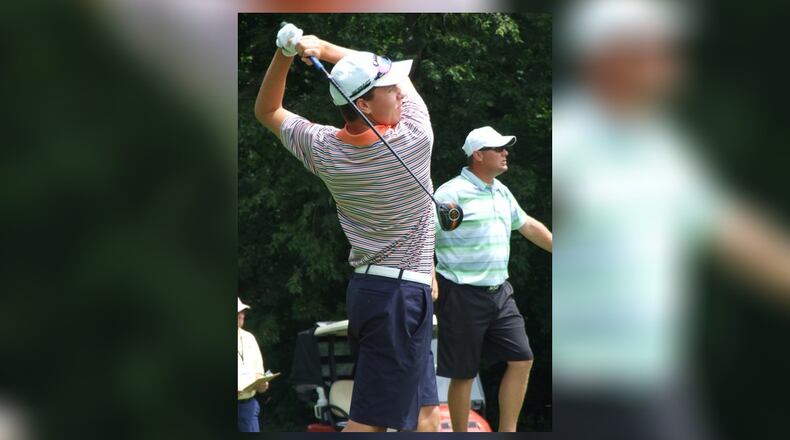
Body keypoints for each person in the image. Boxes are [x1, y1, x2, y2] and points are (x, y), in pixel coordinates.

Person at [254, 24, 440, 432]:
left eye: (394, 87)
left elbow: (267, 111)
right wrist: (323, 48)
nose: (398, 92)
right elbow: (404, 77)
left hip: (380, 293)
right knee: (368, 423)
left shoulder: (322, 149)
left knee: (427, 413)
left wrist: (284, 53)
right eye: (388, 89)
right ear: (367, 106)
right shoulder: (415, 137)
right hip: (399, 300)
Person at [433, 126, 553, 432]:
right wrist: (430, 276)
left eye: (504, 148)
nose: (505, 152)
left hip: (500, 292)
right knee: (464, 374)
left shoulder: (500, 191)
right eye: (498, 148)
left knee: (522, 358)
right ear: (478, 155)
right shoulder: (449, 194)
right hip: (460, 293)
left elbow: (526, 225)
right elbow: (421, 239)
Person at [237, 298, 269, 432]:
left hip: (248, 407)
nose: (241, 315)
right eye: (237, 312)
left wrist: (263, 384)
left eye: (242, 311)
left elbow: (259, 373)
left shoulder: (250, 338)